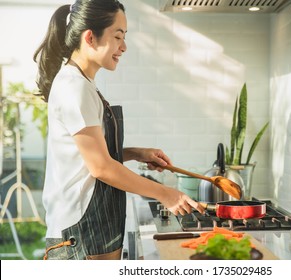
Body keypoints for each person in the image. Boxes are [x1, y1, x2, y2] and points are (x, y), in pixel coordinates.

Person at [33, 0, 204, 260]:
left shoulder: (84, 84)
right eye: (118, 37)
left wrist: (136, 153)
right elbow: (100, 167)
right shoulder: (74, 87)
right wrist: (166, 194)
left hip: (91, 231)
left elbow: (87, 158)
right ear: (90, 37)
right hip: (80, 234)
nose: (123, 47)